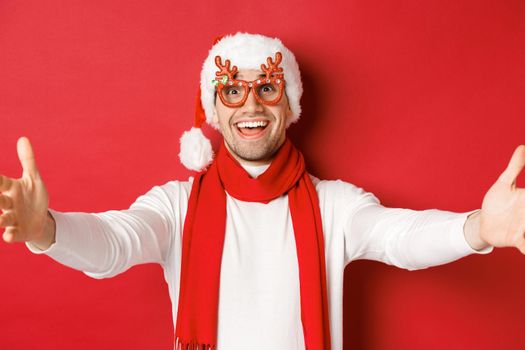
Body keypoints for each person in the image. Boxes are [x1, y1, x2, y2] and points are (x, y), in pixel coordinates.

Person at [1, 32, 524, 350]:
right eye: (232, 90)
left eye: (267, 88)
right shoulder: (176, 207)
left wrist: (479, 227)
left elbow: (400, 237)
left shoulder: (333, 205)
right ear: (213, 110)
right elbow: (114, 243)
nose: (250, 106)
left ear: (289, 104)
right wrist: (46, 230)